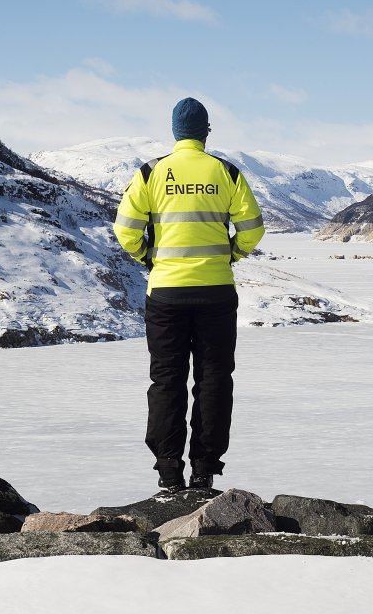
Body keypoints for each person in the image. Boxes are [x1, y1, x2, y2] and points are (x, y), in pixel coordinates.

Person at [112, 97, 266, 494]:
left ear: (174, 132)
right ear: (206, 131)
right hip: (216, 292)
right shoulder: (226, 173)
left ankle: (168, 472)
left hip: (166, 293)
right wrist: (231, 254)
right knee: (214, 379)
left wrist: (149, 257)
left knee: (167, 380)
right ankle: (204, 471)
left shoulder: (151, 173)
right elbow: (252, 229)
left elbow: (125, 230)